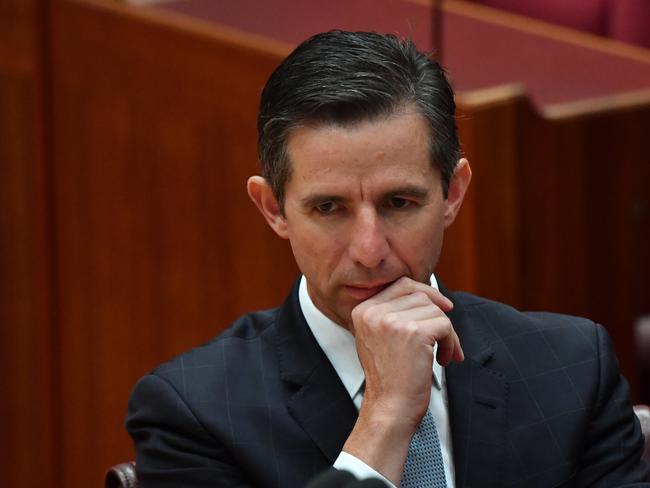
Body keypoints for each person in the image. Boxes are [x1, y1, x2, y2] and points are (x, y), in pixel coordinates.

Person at [126, 30, 649, 487]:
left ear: (453, 194)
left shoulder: (573, 368)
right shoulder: (193, 413)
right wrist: (386, 417)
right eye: (329, 208)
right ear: (273, 210)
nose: (370, 250)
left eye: (399, 203)